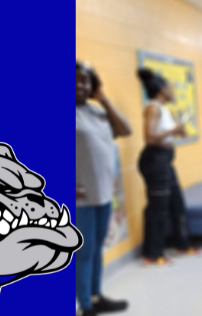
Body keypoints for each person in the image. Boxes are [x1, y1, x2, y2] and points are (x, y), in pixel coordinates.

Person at [76, 61, 131, 316]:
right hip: (81, 197)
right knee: (84, 251)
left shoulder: (97, 112)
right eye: (75, 80)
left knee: (97, 247)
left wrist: (104, 99)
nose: (80, 85)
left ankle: (96, 296)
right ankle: (85, 305)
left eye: (85, 81)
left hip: (103, 193)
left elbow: (125, 129)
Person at [136, 68, 199, 266]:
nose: (172, 91)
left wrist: (177, 132)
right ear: (162, 89)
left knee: (176, 204)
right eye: (169, 88)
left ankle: (180, 243)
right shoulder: (153, 107)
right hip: (154, 161)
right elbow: (149, 137)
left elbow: (165, 135)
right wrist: (174, 130)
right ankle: (152, 254)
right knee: (158, 209)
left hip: (165, 161)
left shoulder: (164, 109)